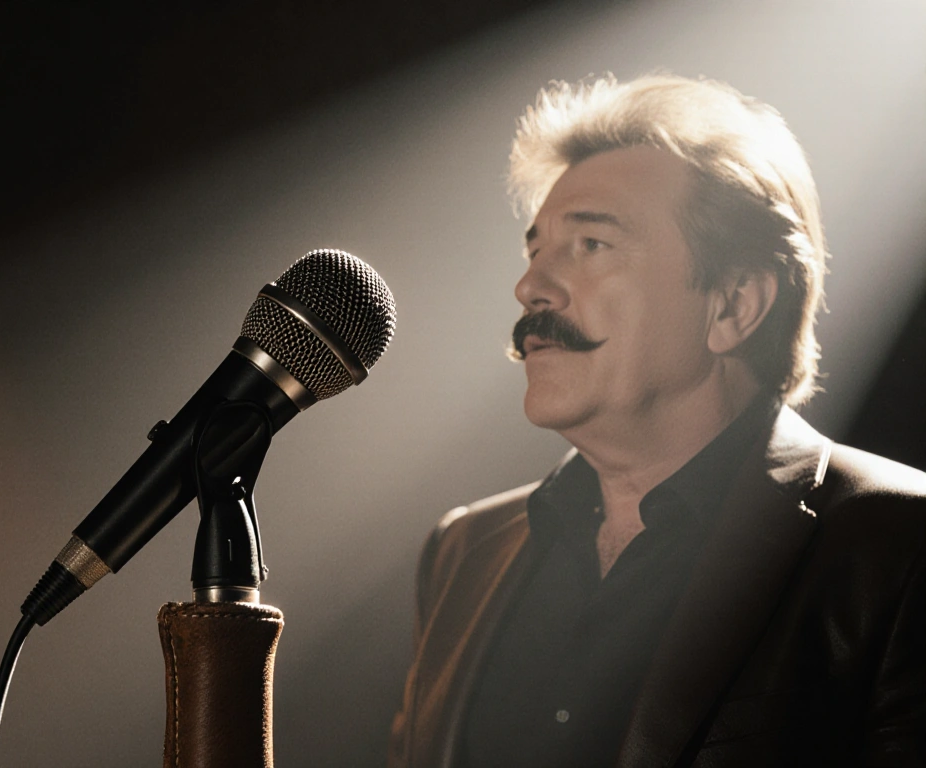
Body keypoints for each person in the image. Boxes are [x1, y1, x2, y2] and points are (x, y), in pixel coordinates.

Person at [388, 73, 926, 767]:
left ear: (735, 306)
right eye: (535, 250)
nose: (530, 288)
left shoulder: (901, 544)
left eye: (591, 246)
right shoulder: (464, 550)